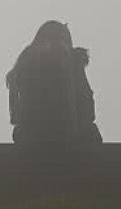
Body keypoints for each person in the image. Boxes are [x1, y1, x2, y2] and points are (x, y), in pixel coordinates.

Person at [7, 20, 98, 150]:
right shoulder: (72, 59)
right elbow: (88, 108)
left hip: (30, 141)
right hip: (69, 140)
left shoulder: (24, 62)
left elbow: (15, 117)